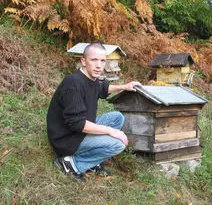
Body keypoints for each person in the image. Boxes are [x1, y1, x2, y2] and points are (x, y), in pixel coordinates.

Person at [46, 43, 142, 181]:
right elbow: (77, 124)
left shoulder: (90, 79)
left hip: (79, 129)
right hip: (66, 139)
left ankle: (92, 160)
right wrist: (110, 131)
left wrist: (124, 86)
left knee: (117, 118)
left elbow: (102, 89)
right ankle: (71, 164)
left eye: (102, 60)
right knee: (117, 144)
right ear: (83, 61)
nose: (99, 65)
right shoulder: (73, 84)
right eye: (94, 60)